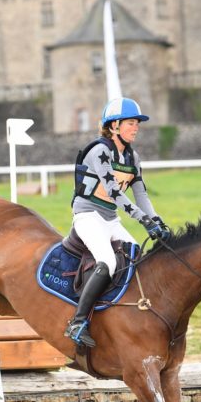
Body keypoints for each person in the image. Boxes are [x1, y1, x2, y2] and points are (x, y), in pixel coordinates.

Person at [65, 96, 171, 348]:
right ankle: (77, 322)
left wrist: (157, 220)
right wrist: (144, 221)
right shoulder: (99, 151)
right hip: (87, 216)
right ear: (114, 126)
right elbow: (113, 192)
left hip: (110, 219)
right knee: (108, 262)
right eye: (131, 123)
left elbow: (141, 194)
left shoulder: (133, 158)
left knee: (139, 261)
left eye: (137, 124)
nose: (136, 128)